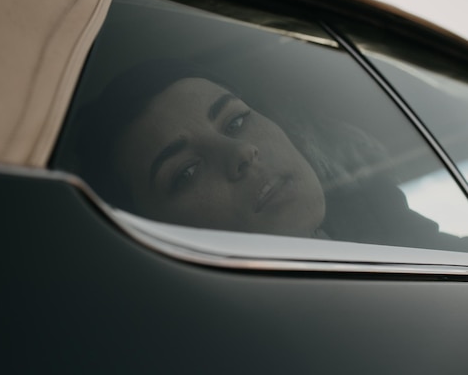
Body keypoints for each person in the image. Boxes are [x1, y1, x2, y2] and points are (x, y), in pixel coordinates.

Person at [71, 58, 468, 250]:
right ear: (151, 233)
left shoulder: (381, 221)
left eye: (236, 122)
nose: (241, 152)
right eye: (187, 172)